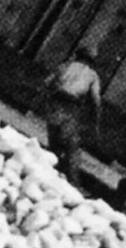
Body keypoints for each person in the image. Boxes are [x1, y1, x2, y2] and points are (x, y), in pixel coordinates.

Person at [42, 46, 103, 181]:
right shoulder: (92, 75)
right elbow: (96, 100)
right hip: (71, 106)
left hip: (56, 102)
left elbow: (47, 82)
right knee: (72, 146)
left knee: (54, 140)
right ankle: (72, 180)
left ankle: (48, 169)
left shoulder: (65, 66)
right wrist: (95, 119)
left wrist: (48, 100)